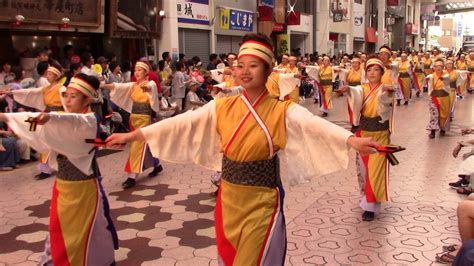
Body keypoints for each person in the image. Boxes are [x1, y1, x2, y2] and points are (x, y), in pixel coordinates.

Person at [105, 33, 379, 265]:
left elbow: (312, 125)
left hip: (262, 200)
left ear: (268, 71)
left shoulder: (282, 109)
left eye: (254, 65)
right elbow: (181, 123)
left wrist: (351, 141)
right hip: (229, 198)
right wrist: (133, 136)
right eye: (240, 65)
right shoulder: (222, 106)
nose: (244, 71)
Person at [0, 74, 118, 265]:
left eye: (74, 96)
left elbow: (70, 122)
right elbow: (34, 119)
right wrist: (6, 116)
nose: (68, 100)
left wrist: (49, 117)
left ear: (87, 99)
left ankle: (100, 260)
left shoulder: (89, 121)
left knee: (89, 229)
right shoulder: (59, 119)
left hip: (84, 188)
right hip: (63, 187)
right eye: (66, 95)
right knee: (61, 229)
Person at [338, 57, 395, 221]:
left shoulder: (385, 87)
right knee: (364, 170)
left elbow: (390, 93)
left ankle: (370, 207)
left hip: (381, 135)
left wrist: (390, 90)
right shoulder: (361, 88)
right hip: (364, 135)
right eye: (369, 70)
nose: (372, 73)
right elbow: (356, 92)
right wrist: (348, 89)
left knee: (376, 170)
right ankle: (367, 198)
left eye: (376, 70)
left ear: (382, 72)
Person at [101, 61, 163, 189]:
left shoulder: (149, 83)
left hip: (144, 119)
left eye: (140, 70)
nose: (136, 72)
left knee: (137, 145)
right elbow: (116, 86)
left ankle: (131, 177)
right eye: (135, 70)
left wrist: (148, 89)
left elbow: (152, 88)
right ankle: (157, 165)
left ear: (146, 72)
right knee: (146, 144)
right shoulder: (133, 85)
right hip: (133, 118)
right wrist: (102, 85)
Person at [3, 62, 65, 180]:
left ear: (56, 76)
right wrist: (11, 92)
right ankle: (46, 169)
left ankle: (61, 165)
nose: (47, 76)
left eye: (50, 74)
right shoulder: (46, 89)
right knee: (45, 141)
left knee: (58, 143)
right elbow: (29, 92)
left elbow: (67, 105)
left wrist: (66, 118)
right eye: (47, 74)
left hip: (59, 118)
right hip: (48, 117)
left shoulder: (61, 89)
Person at [338, 56, 366, 132]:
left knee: (358, 107)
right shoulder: (349, 71)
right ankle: (353, 124)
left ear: (359, 63)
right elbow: (345, 78)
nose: (354, 64)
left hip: (358, 92)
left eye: (356, 63)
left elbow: (364, 83)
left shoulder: (362, 71)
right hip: (350, 91)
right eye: (353, 63)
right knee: (351, 107)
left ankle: (357, 123)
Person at [426, 59, 452, 138]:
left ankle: (442, 128)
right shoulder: (432, 75)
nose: (438, 68)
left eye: (440, 66)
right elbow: (428, 77)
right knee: (434, 114)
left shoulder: (446, 75)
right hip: (434, 98)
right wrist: (427, 78)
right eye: (436, 66)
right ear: (434, 67)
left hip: (444, 97)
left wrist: (443, 79)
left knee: (443, 114)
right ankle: (432, 131)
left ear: (443, 67)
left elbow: (447, 78)